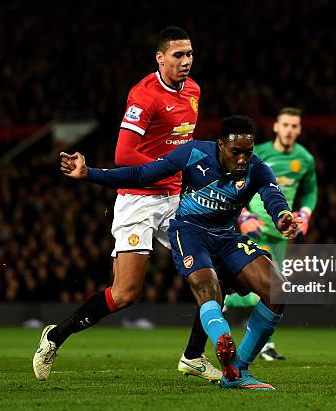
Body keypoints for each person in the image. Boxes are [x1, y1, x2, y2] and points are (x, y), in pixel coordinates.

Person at [32, 26, 220, 382]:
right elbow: (123, 155)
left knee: (212, 277)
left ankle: (194, 356)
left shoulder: (194, 90)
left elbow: (183, 145)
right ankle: (55, 336)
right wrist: (161, 171)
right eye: (178, 55)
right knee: (125, 294)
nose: (186, 61)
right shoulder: (144, 96)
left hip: (178, 200)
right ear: (160, 57)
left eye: (190, 54)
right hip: (139, 200)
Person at [59, 115, 301, 390]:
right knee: (208, 288)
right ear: (220, 145)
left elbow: (273, 196)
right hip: (189, 232)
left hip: (225, 236)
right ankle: (223, 342)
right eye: (236, 152)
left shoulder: (256, 169)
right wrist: (89, 172)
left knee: (278, 290)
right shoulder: (194, 153)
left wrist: (282, 216)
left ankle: (237, 371)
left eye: (249, 152)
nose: (243, 159)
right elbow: (141, 175)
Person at [182, 107, 318, 362]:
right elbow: (230, 186)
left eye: (294, 126)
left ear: (299, 130)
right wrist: (244, 216)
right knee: (259, 285)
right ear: (276, 127)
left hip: (280, 232)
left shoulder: (305, 159)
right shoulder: (256, 152)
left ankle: (229, 313)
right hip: (252, 228)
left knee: (273, 290)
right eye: (285, 125)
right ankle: (219, 317)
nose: (289, 130)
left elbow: (310, 191)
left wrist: (306, 213)